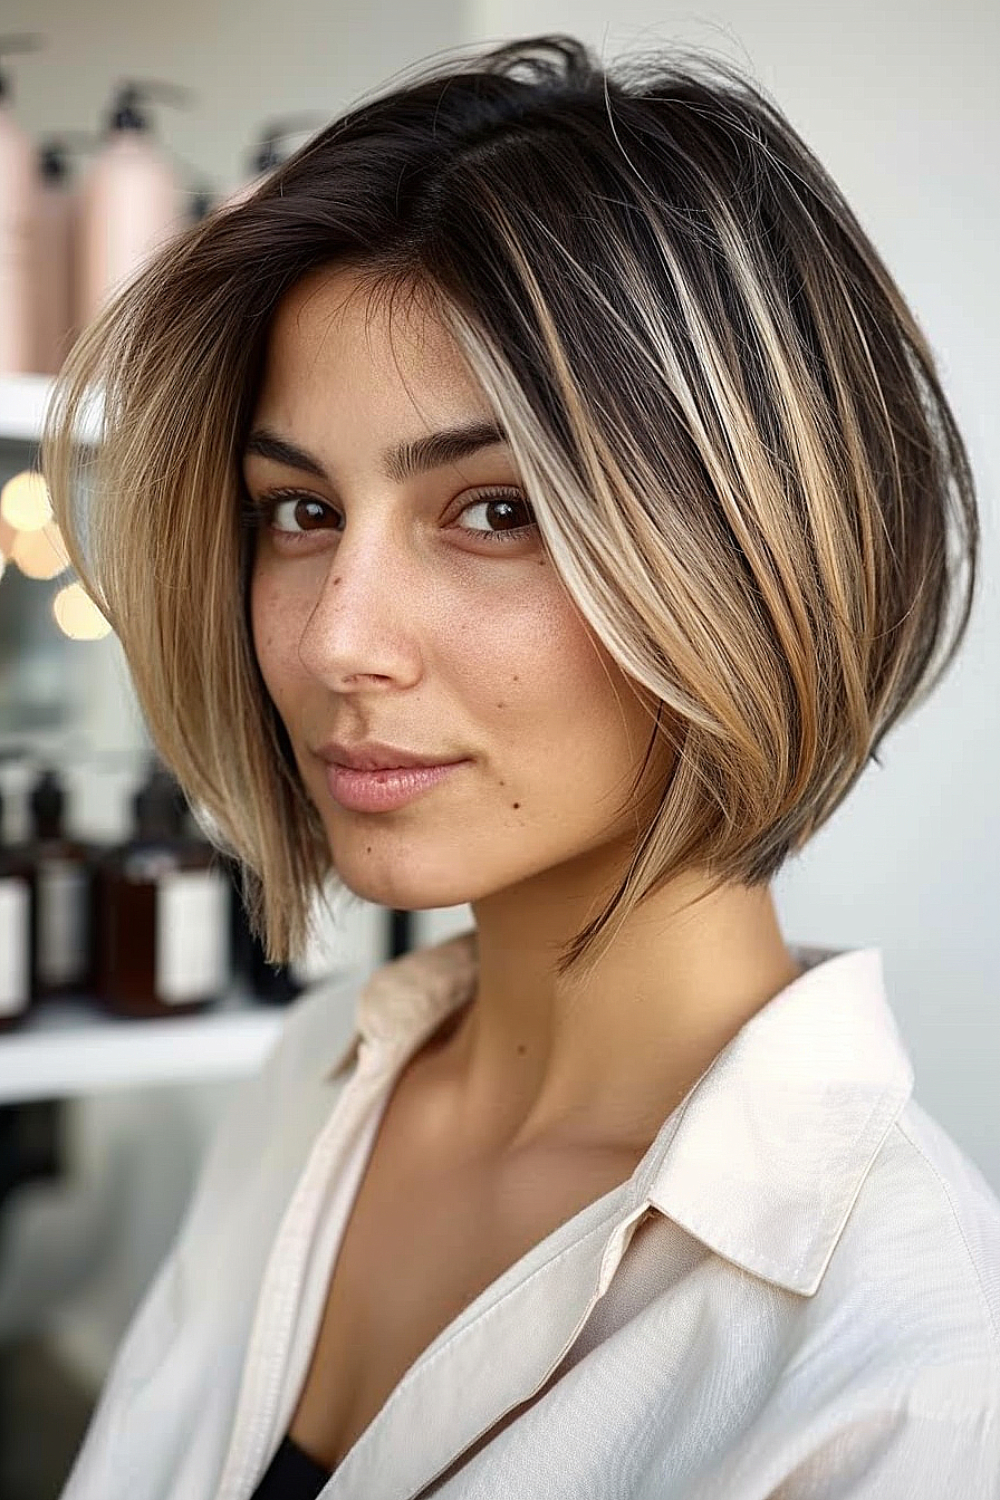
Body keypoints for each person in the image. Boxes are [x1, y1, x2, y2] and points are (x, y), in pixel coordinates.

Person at [44, 32, 998, 1500]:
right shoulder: (317, 1082)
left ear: (761, 559)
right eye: (298, 511)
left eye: (494, 510)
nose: (335, 640)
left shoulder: (916, 1374)